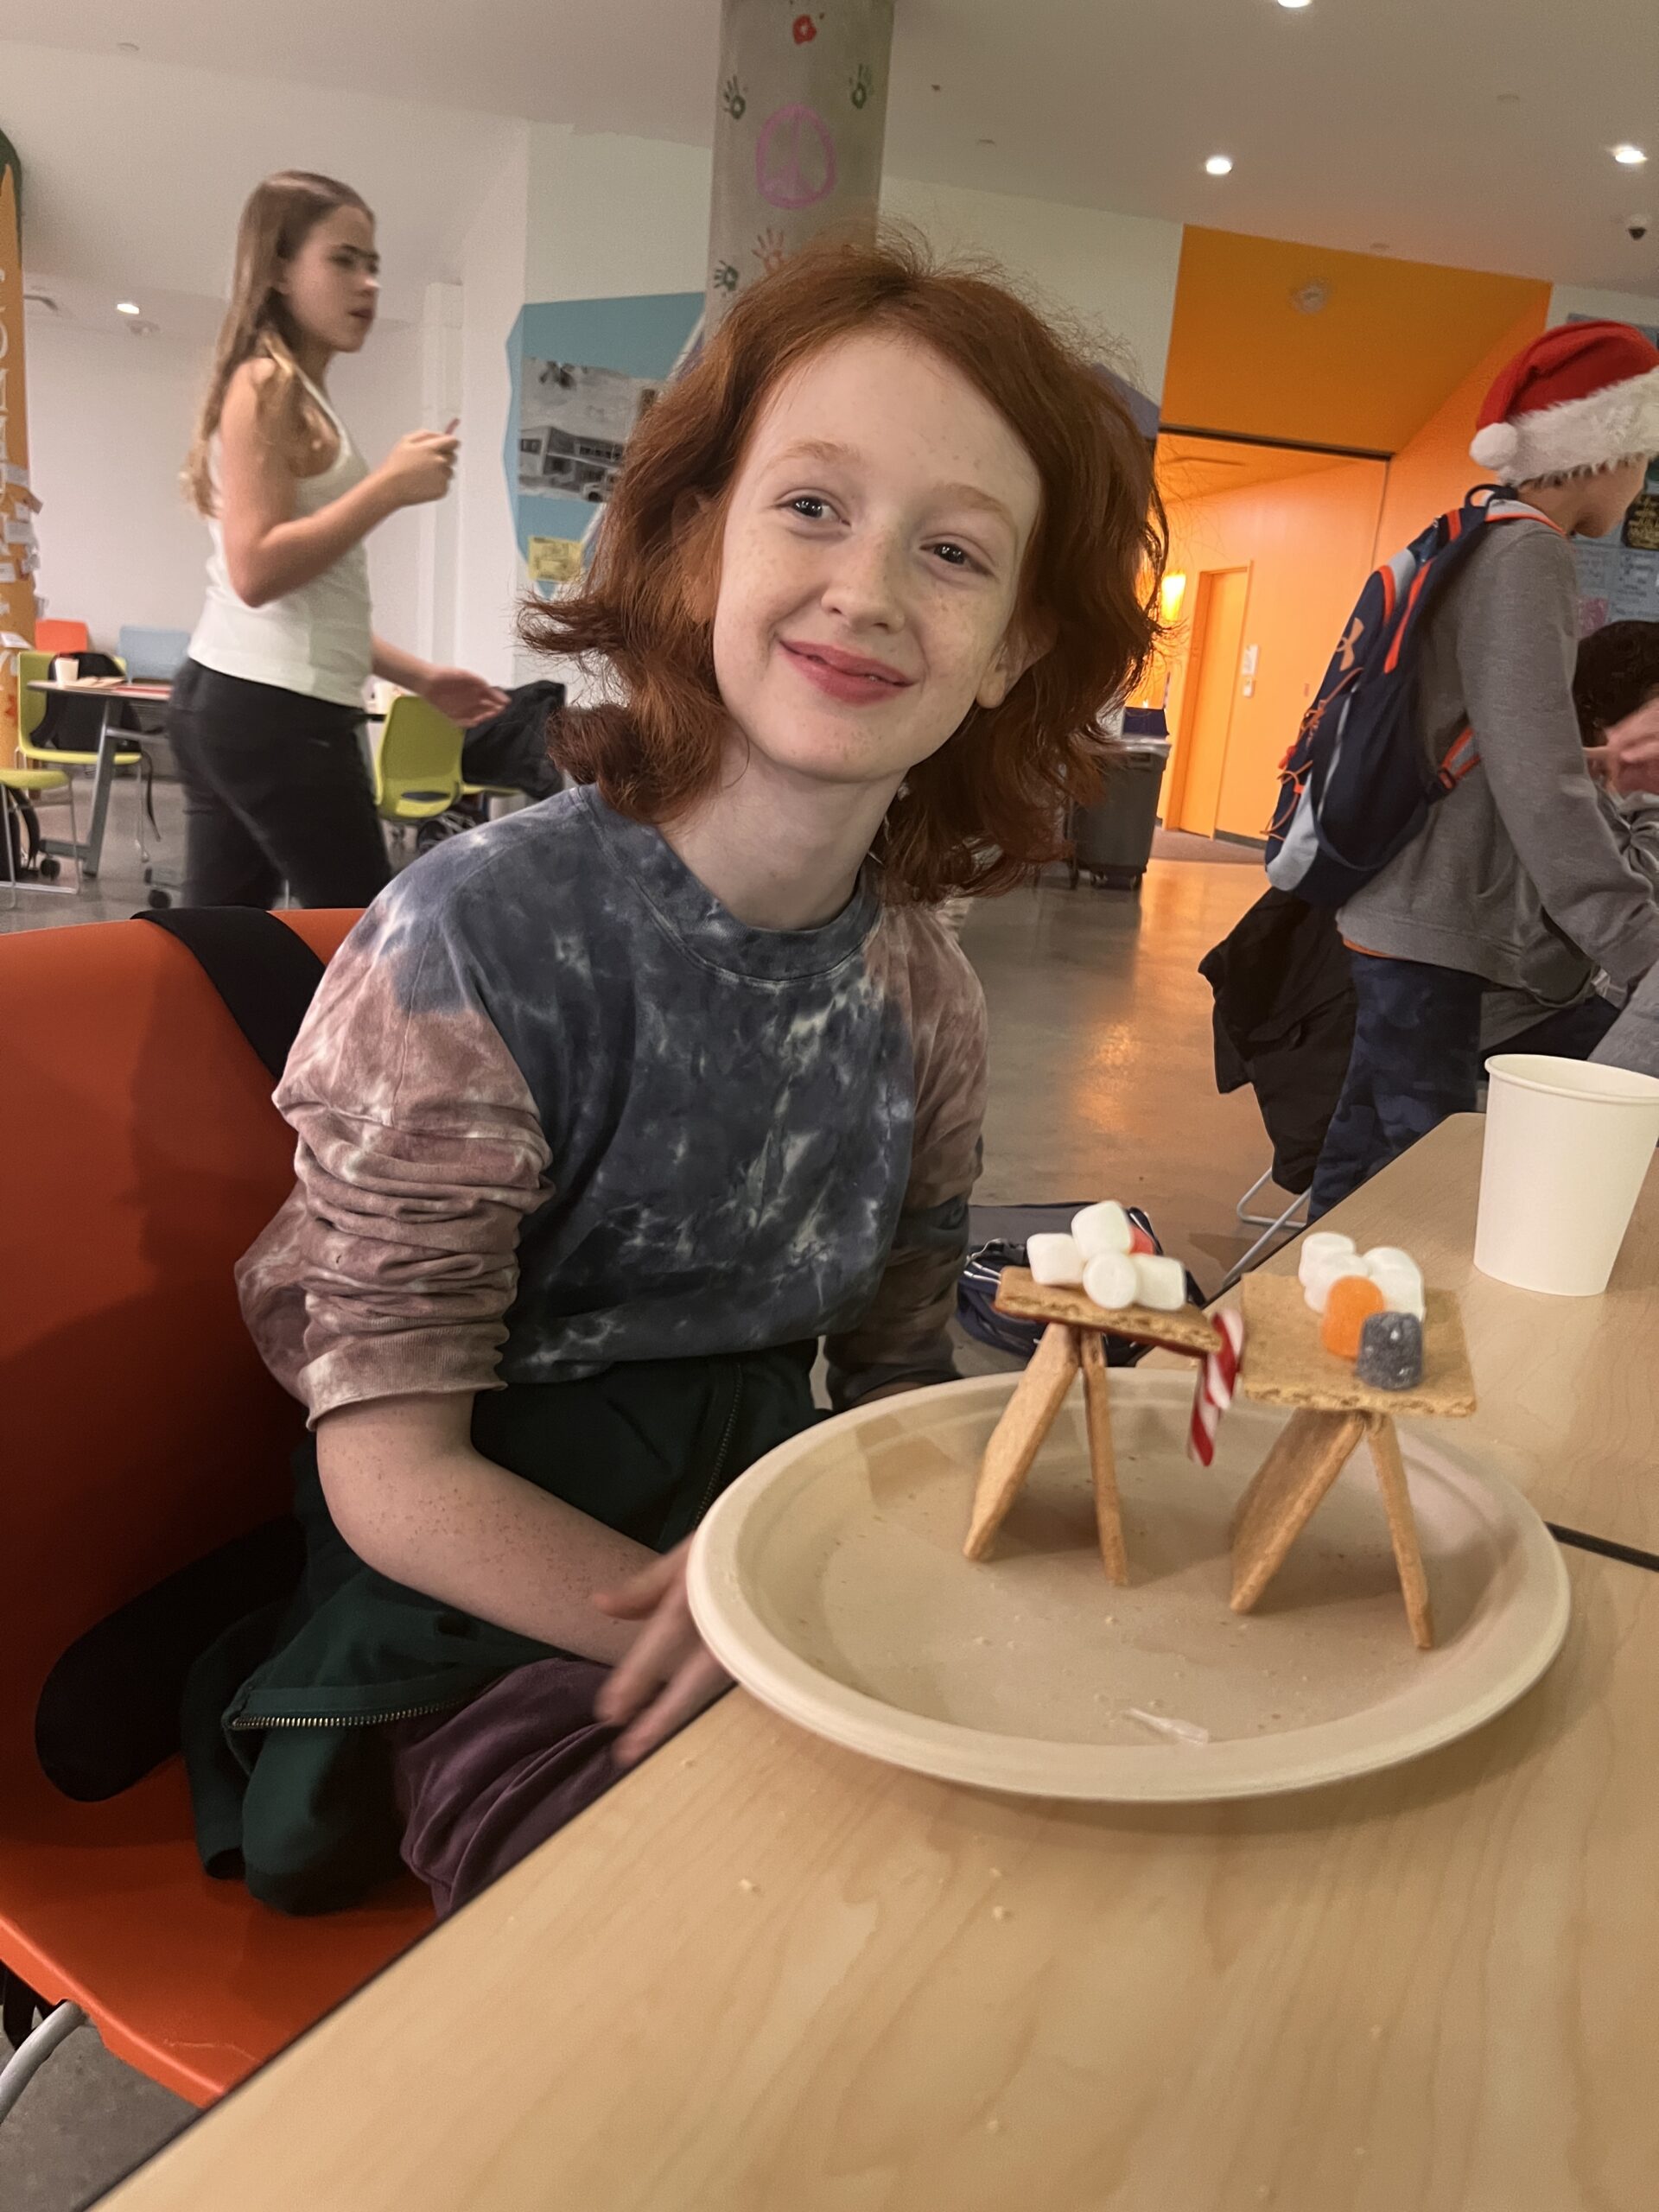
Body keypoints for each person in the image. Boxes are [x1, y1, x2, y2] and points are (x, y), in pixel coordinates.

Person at [181, 234, 1166, 1917]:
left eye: (952, 550)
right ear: (699, 537)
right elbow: (392, 1467)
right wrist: (714, 1620)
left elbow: (887, 1379)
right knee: (770, 1926)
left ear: (1012, 647)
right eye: (811, 506)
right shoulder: (480, 945)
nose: (867, 587)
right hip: (504, 1607)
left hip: (775, 1546)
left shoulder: (919, 984)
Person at [1310, 321, 1659, 1214]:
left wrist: (1592, 761)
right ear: (1600, 453)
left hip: (1397, 905)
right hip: (1440, 918)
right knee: (1424, 1188)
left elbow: (1491, 737)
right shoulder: (1531, 552)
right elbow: (1534, 780)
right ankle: (1370, 1342)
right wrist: (1629, 934)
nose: (1641, 480)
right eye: (1642, 456)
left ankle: (1285, 1330)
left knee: (1360, 1167)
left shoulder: (1473, 531)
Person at [171, 170, 505, 909]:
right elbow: (256, 570)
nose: (368, 283)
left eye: (374, 264)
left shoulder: (297, 393)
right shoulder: (267, 385)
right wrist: (386, 487)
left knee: (220, 946)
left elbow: (316, 602)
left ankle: (231, 1030)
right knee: (368, 940)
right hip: (274, 710)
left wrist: (421, 677)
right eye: (344, 260)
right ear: (280, 270)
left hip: (238, 697)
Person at [1480, 618, 1659, 1049]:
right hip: (1511, 1018)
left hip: (1545, 1001)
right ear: (1603, 723)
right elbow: (1631, 904)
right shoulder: (1568, 792)